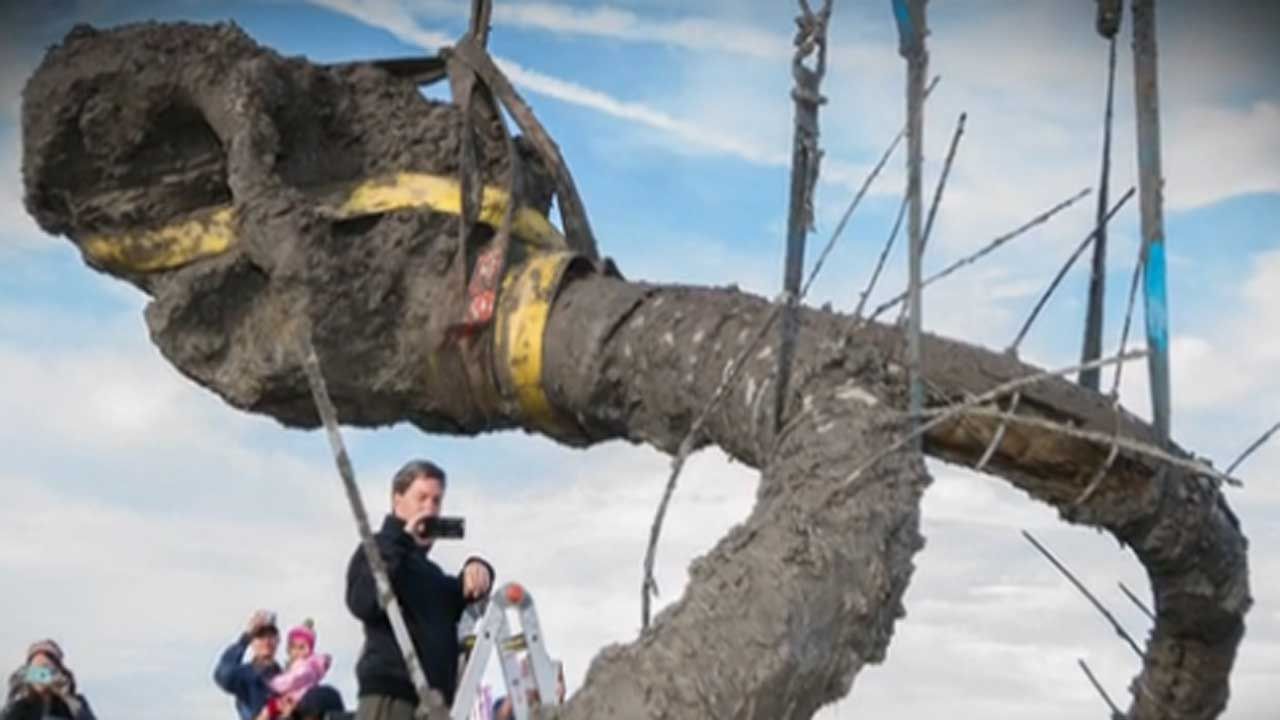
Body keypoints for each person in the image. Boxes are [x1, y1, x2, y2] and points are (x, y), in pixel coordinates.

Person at [347, 459, 495, 720]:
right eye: (422, 498)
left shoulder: (430, 574)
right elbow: (364, 601)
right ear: (398, 499)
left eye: (436, 501)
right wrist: (403, 537)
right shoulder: (378, 547)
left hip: (433, 703)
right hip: (392, 697)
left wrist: (479, 569)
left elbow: (459, 596)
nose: (430, 508)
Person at [1, 639, 96, 720]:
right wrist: (16, 691)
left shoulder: (74, 703)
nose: (40, 675)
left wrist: (68, 698)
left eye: (45, 668)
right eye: (35, 670)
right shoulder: (22, 704)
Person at [215, 610, 283, 720]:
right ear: (252, 641)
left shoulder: (286, 678)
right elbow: (224, 674)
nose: (267, 641)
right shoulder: (246, 675)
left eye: (271, 636)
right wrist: (244, 639)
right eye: (261, 636)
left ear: (278, 640)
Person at [266, 620, 332, 712]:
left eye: (301, 647)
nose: (297, 651)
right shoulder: (298, 665)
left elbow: (294, 679)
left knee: (269, 709)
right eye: (293, 647)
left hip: (299, 701)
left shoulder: (305, 666)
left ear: (309, 650)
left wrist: (274, 683)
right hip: (294, 699)